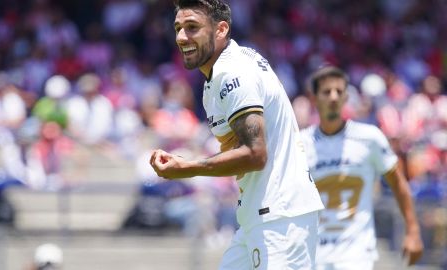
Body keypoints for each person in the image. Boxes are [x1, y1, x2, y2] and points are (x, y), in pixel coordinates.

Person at [150, 1, 324, 269]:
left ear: (221, 29)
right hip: (260, 216)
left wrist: (187, 168)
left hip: (280, 219)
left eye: (192, 27)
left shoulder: (233, 73)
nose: (182, 37)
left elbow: (255, 154)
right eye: (178, 28)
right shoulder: (223, 70)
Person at [300, 66, 423, 269]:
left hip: (357, 255)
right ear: (314, 99)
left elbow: (399, 184)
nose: (333, 97)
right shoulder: (300, 144)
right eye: (326, 92)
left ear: (346, 97)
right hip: (313, 255)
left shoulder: (369, 137)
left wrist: (413, 231)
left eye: (339, 92)